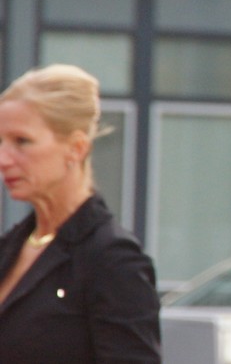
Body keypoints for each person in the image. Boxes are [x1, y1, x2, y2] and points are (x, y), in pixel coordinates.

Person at [0, 64, 161, 363]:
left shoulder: (112, 259)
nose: (4, 159)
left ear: (76, 148)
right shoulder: (11, 246)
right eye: (1, 141)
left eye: (22, 141)